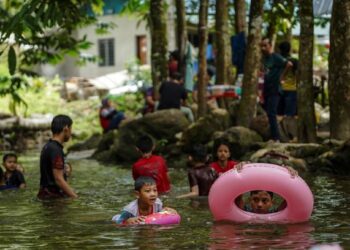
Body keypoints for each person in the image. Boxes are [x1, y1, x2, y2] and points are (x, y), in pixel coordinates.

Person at [37, 114, 78, 199]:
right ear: (66, 128)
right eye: (71, 129)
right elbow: (58, 179)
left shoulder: (48, 146)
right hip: (53, 197)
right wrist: (75, 197)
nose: (71, 132)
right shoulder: (56, 150)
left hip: (45, 194)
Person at [260, 37, 292, 142]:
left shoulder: (276, 57)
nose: (263, 48)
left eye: (265, 45)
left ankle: (276, 138)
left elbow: (289, 64)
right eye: (261, 46)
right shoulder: (264, 59)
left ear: (270, 46)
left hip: (275, 89)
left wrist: (282, 77)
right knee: (269, 113)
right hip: (267, 89)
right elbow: (264, 74)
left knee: (272, 113)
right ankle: (275, 136)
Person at [112, 176, 177, 225]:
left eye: (155, 190)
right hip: (118, 218)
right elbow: (118, 222)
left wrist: (166, 211)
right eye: (147, 191)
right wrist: (127, 221)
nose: (153, 194)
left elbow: (159, 215)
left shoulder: (158, 203)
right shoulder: (129, 210)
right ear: (137, 194)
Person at [278, 41, 298, 142]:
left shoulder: (278, 60)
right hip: (292, 89)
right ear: (289, 49)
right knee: (290, 115)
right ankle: (292, 136)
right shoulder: (294, 60)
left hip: (280, 89)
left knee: (281, 115)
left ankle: (284, 136)